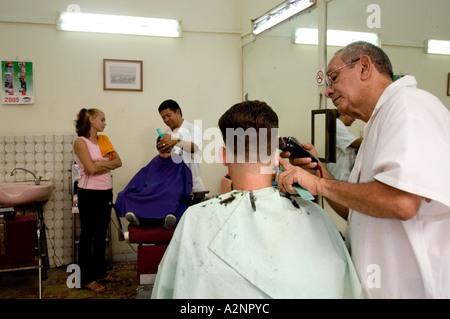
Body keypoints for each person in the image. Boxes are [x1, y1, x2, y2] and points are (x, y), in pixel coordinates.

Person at [278, 41, 450, 299]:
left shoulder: (408, 106)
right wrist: (319, 173)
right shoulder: (377, 123)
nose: (328, 91)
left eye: (333, 77)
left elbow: (402, 202)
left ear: (364, 67)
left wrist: (320, 186)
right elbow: (360, 211)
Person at [151, 100, 365, 299]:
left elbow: (167, 289)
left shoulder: (194, 220)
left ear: (223, 156)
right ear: (275, 157)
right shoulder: (315, 216)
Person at [73, 108, 122, 293]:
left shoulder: (103, 140)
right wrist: (101, 165)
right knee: (88, 235)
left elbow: (118, 162)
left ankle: (101, 272)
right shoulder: (80, 142)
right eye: (102, 119)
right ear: (92, 120)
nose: (105, 122)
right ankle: (86, 278)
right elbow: (90, 170)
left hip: (105, 191)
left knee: (102, 234)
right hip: (89, 193)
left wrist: (98, 164)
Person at [116, 136, 193, 229]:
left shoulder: (177, 161)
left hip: (170, 192)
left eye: (168, 152)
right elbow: (141, 177)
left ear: (173, 148)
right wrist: (128, 190)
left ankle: (170, 221)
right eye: (162, 153)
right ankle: (138, 220)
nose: (165, 156)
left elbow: (184, 179)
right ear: (157, 149)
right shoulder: (155, 161)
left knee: (172, 194)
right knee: (129, 196)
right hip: (153, 191)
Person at [157, 99, 206, 197]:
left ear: (178, 112)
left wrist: (176, 141)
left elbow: (195, 147)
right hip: (172, 186)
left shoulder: (192, 129)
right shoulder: (166, 134)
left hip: (193, 187)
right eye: (163, 118)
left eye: (168, 115)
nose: (166, 120)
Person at [326, 112, 362, 181]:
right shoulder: (336, 125)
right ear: (344, 113)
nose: (354, 119)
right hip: (338, 176)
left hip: (342, 175)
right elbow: (354, 143)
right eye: (353, 115)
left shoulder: (340, 126)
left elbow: (350, 148)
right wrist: (372, 136)